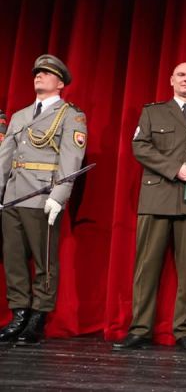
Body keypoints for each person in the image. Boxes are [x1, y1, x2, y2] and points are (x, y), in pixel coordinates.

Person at [112, 62, 186, 354]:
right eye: (181, 75)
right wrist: (176, 169)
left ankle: (185, 331)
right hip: (156, 198)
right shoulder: (153, 112)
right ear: (172, 80)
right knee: (146, 268)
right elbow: (140, 146)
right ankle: (140, 329)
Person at [0, 54, 87, 346]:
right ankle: (19, 313)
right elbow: (5, 159)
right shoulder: (20, 116)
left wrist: (59, 196)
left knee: (44, 260)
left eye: (46, 73)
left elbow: (71, 159)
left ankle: (38, 317)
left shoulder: (71, 115)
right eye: (37, 72)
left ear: (60, 83)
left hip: (42, 195)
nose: (39, 75)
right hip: (13, 197)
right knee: (13, 259)